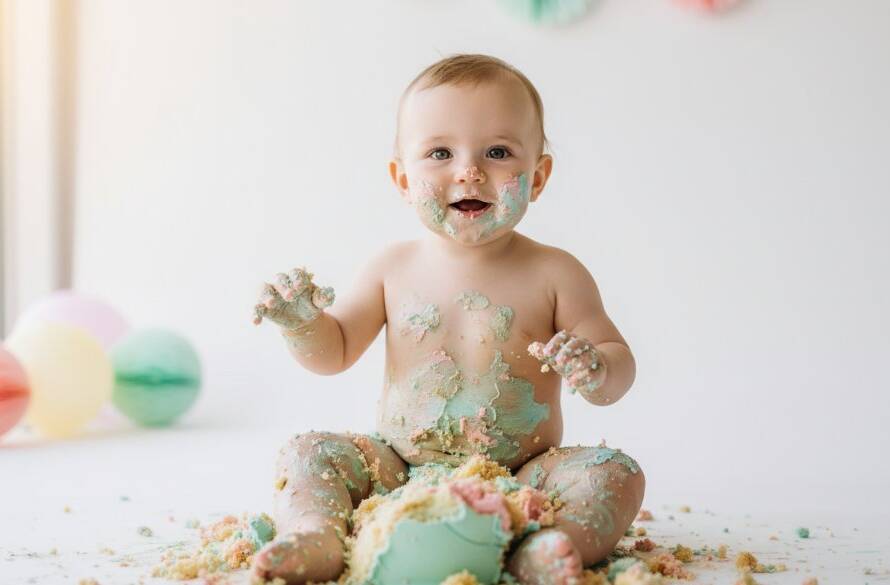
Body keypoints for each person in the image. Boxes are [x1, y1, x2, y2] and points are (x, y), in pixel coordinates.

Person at [252, 54, 644, 585]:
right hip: (396, 470)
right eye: (440, 153)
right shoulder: (391, 268)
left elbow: (617, 363)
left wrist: (597, 369)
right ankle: (317, 532)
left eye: (498, 152)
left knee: (615, 472)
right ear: (402, 179)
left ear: (538, 177)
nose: (469, 171)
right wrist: (302, 324)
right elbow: (334, 351)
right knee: (309, 452)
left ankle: (550, 546)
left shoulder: (556, 273)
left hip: (526, 479)